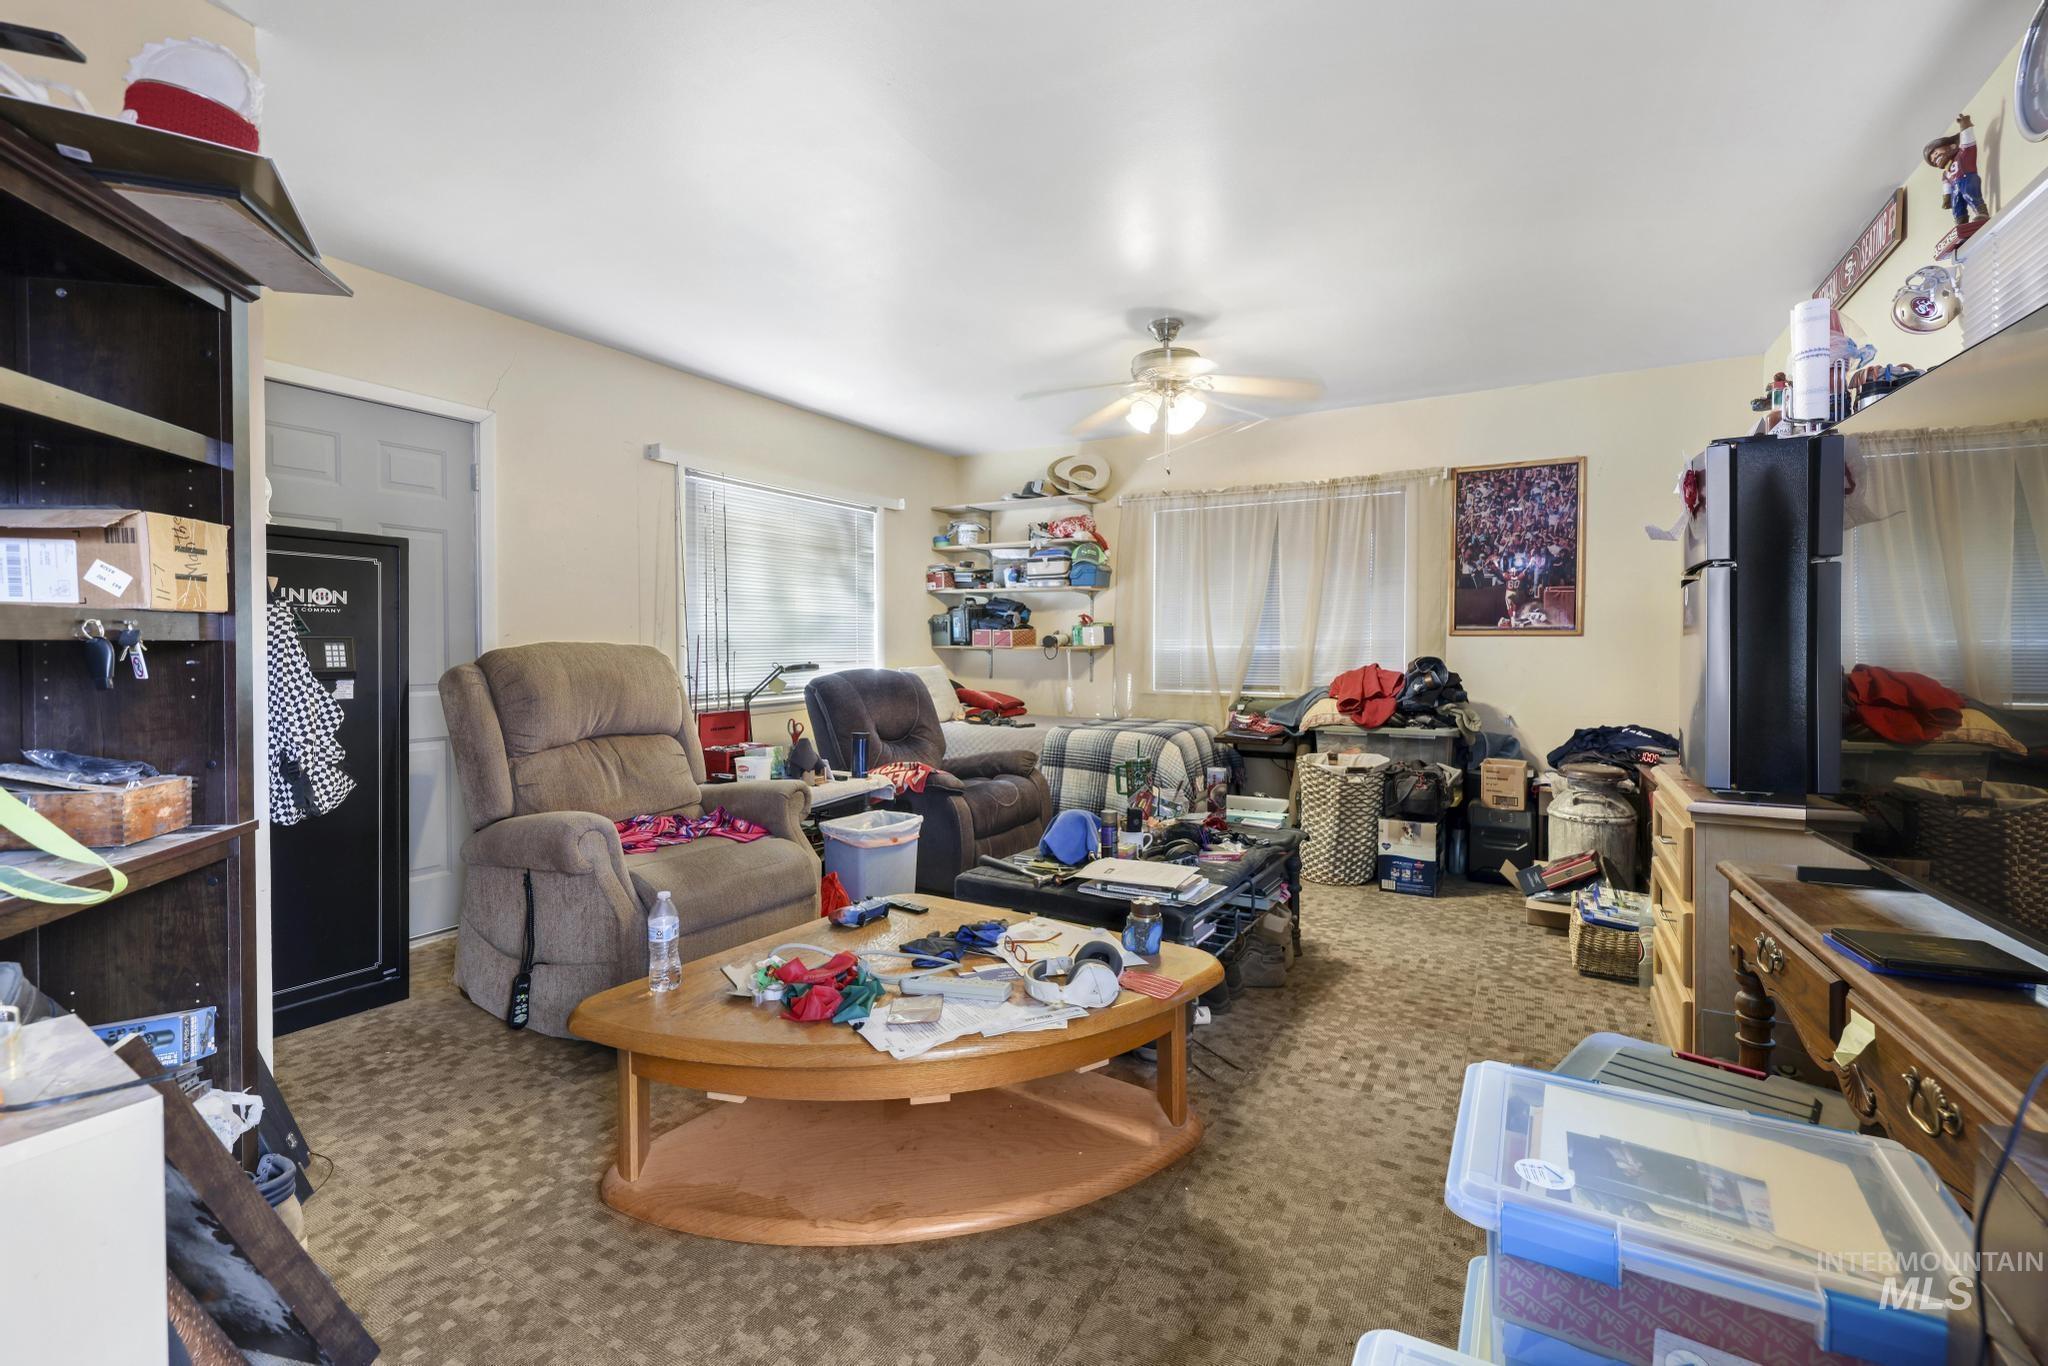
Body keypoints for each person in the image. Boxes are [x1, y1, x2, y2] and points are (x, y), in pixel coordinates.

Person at [1925, 113, 1988, 231]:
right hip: (1955, 187)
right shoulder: (1946, 173)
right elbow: (1946, 184)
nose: (1935, 158)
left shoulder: (1962, 155)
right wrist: (1947, 197)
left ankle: (1981, 212)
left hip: (1967, 179)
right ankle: (1961, 223)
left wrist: (1965, 125)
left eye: (1936, 153)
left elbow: (1968, 141)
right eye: (1933, 160)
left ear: (1952, 146)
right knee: (1956, 204)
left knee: (1970, 195)